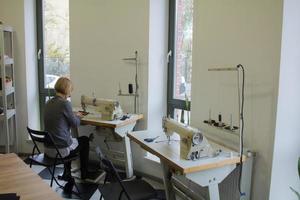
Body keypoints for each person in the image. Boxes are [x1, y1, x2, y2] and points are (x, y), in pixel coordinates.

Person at [43, 77, 90, 191]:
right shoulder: (65, 104)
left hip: (48, 148)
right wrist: (78, 116)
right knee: (85, 140)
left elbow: (58, 119)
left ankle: (67, 173)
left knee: (69, 139)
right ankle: (84, 174)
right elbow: (75, 124)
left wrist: (71, 114)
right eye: (71, 89)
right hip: (60, 150)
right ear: (67, 90)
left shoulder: (49, 102)